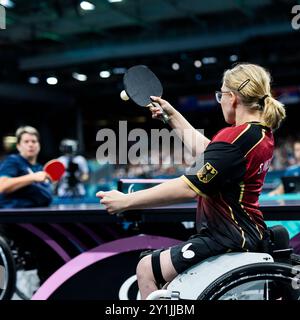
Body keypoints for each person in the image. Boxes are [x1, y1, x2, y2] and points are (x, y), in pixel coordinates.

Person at [97, 63, 286, 299]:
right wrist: (172, 116)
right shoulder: (259, 135)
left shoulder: (234, 137)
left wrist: (127, 201)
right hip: (247, 233)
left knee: (146, 268)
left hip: (226, 236)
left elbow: (189, 186)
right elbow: (212, 154)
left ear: (233, 97)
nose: (220, 102)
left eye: (220, 95)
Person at [0, 126, 52, 208]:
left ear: (39, 145)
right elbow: (2, 185)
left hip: (38, 215)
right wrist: (32, 177)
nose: (30, 144)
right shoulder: (12, 161)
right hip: (15, 217)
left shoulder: (39, 168)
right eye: (26, 142)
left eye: (34, 141)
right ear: (18, 146)